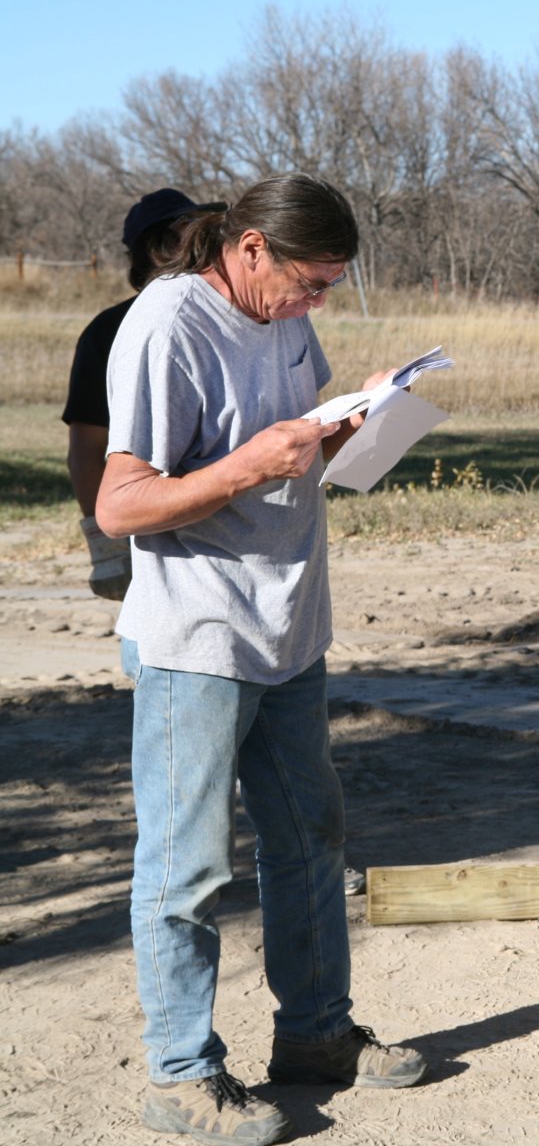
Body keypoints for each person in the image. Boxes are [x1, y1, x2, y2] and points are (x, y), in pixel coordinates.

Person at [98, 172, 427, 1146]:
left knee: (309, 839)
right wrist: (251, 464)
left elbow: (294, 447)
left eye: (330, 286)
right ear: (248, 253)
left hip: (289, 628)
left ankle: (316, 1035)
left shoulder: (284, 319)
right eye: (310, 284)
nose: (316, 304)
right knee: (186, 868)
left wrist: (354, 428)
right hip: (197, 642)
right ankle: (179, 1077)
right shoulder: (166, 328)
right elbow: (121, 505)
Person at [64, 189, 217, 600]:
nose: (205, 240)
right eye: (189, 230)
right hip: (143, 527)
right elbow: (86, 446)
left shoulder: (225, 317)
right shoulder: (107, 331)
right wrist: (105, 544)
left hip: (219, 540)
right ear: (158, 247)